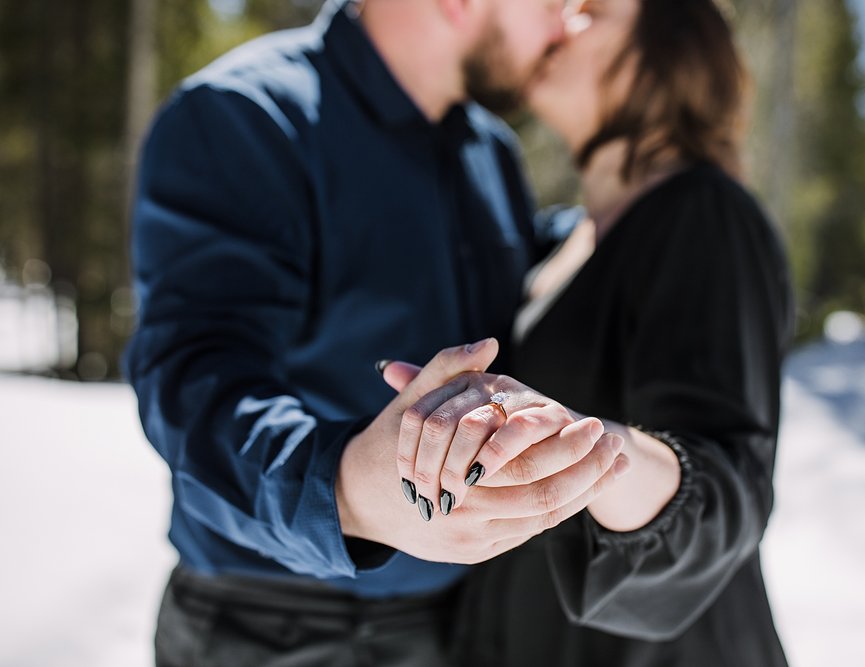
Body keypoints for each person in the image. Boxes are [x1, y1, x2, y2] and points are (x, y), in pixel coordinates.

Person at [125, 0, 631, 664]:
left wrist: (627, 214)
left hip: (452, 625)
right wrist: (348, 491)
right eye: (552, 1)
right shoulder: (246, 117)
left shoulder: (487, 150)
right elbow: (193, 386)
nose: (565, 23)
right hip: (268, 629)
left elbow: (515, 272)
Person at [381, 0, 795, 664]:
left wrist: (585, 448)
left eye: (591, 10)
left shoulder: (705, 215)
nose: (557, 19)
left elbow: (727, 484)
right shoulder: (562, 236)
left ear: (668, 51)